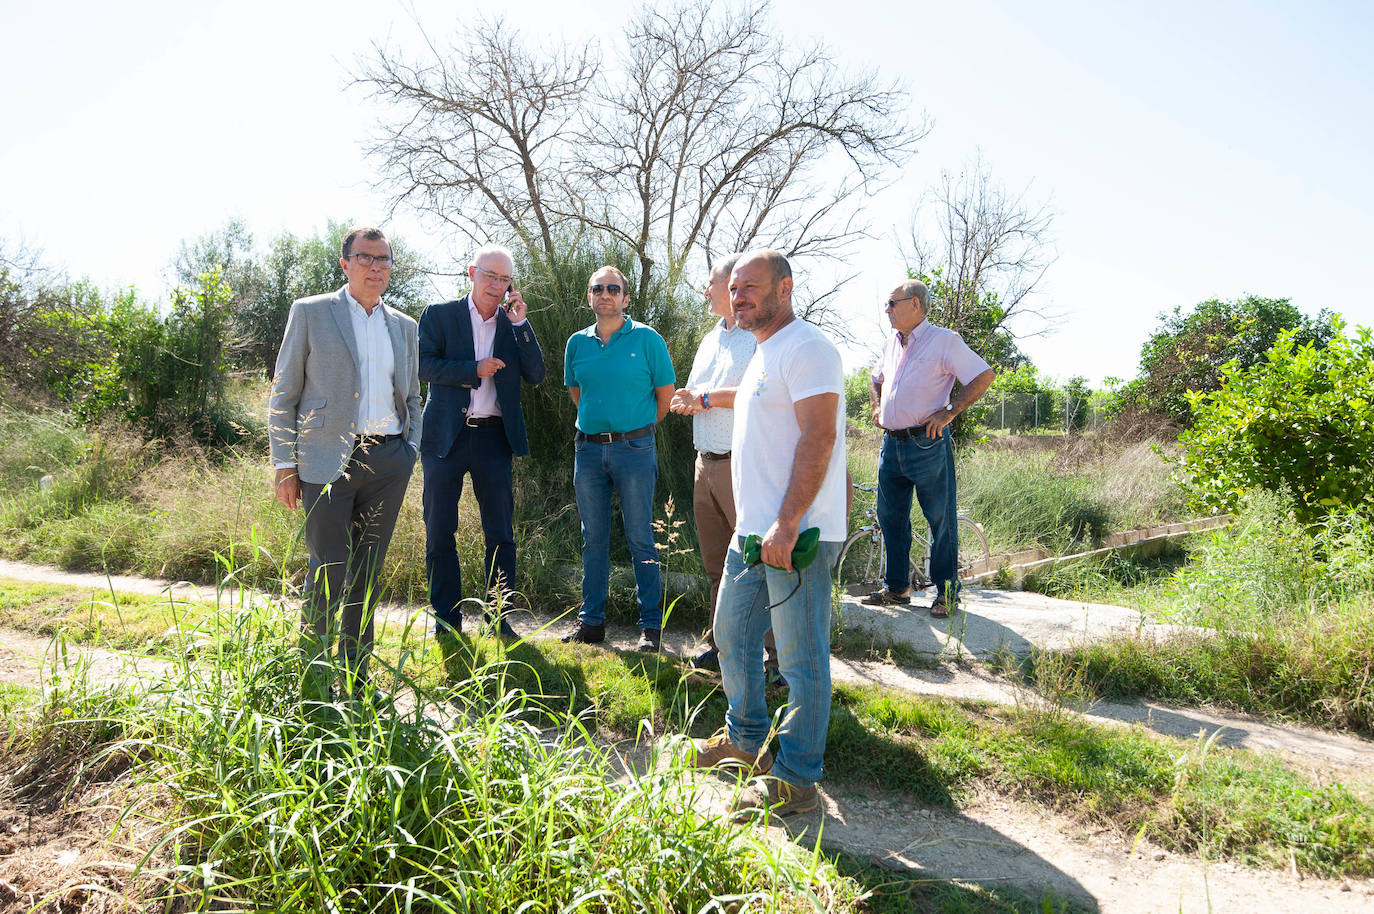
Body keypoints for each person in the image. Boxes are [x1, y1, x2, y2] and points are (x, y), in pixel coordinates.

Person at [687, 249, 847, 820]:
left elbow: (820, 437)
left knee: (801, 660)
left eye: (752, 287)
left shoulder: (807, 348)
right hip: (752, 534)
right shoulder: (762, 352)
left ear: (786, 287)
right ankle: (745, 742)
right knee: (730, 634)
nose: (740, 297)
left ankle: (799, 777)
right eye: (734, 290)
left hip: (793, 534)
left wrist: (787, 522)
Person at [268, 225, 421, 700]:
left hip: (389, 459)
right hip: (324, 461)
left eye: (385, 260)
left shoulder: (405, 325)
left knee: (368, 573)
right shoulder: (312, 312)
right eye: (366, 258)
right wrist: (284, 464)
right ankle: (313, 681)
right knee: (329, 569)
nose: (377, 267)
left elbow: (413, 395)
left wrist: (409, 447)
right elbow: (284, 392)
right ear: (345, 263)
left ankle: (357, 679)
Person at [418, 244, 545, 639]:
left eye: (504, 279)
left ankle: (498, 617)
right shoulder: (439, 315)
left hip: (493, 438)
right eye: (489, 275)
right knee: (440, 530)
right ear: (471, 272)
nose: (496, 284)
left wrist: (523, 326)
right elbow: (423, 365)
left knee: (501, 533)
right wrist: (474, 369)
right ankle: (446, 619)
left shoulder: (513, 324)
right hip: (445, 439)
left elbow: (537, 374)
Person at [669, 254, 781, 683]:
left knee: (757, 563)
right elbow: (703, 391)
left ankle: (775, 661)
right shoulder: (710, 339)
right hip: (706, 463)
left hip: (743, 465)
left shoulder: (759, 336)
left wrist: (706, 399)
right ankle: (721, 646)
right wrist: (689, 398)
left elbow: (759, 391)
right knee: (717, 564)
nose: (707, 290)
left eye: (713, 283)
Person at [864, 280, 995, 616]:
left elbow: (983, 375)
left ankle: (947, 593)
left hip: (927, 444)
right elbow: (875, 377)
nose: (887, 310)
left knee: (940, 519)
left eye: (892, 303)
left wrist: (950, 411)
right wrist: (877, 407)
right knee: (890, 518)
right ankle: (897, 588)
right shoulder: (890, 342)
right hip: (891, 445)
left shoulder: (944, 341)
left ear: (915, 305)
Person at [562, 266, 675, 652]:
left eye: (613, 289)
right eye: (598, 288)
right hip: (588, 449)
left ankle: (650, 628)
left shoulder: (647, 340)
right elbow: (578, 393)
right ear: (589, 296)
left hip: (635, 449)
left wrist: (633, 429)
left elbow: (665, 396)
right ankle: (591, 623)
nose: (605, 294)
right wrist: (601, 429)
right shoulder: (576, 343)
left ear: (626, 298)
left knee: (640, 538)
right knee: (593, 539)